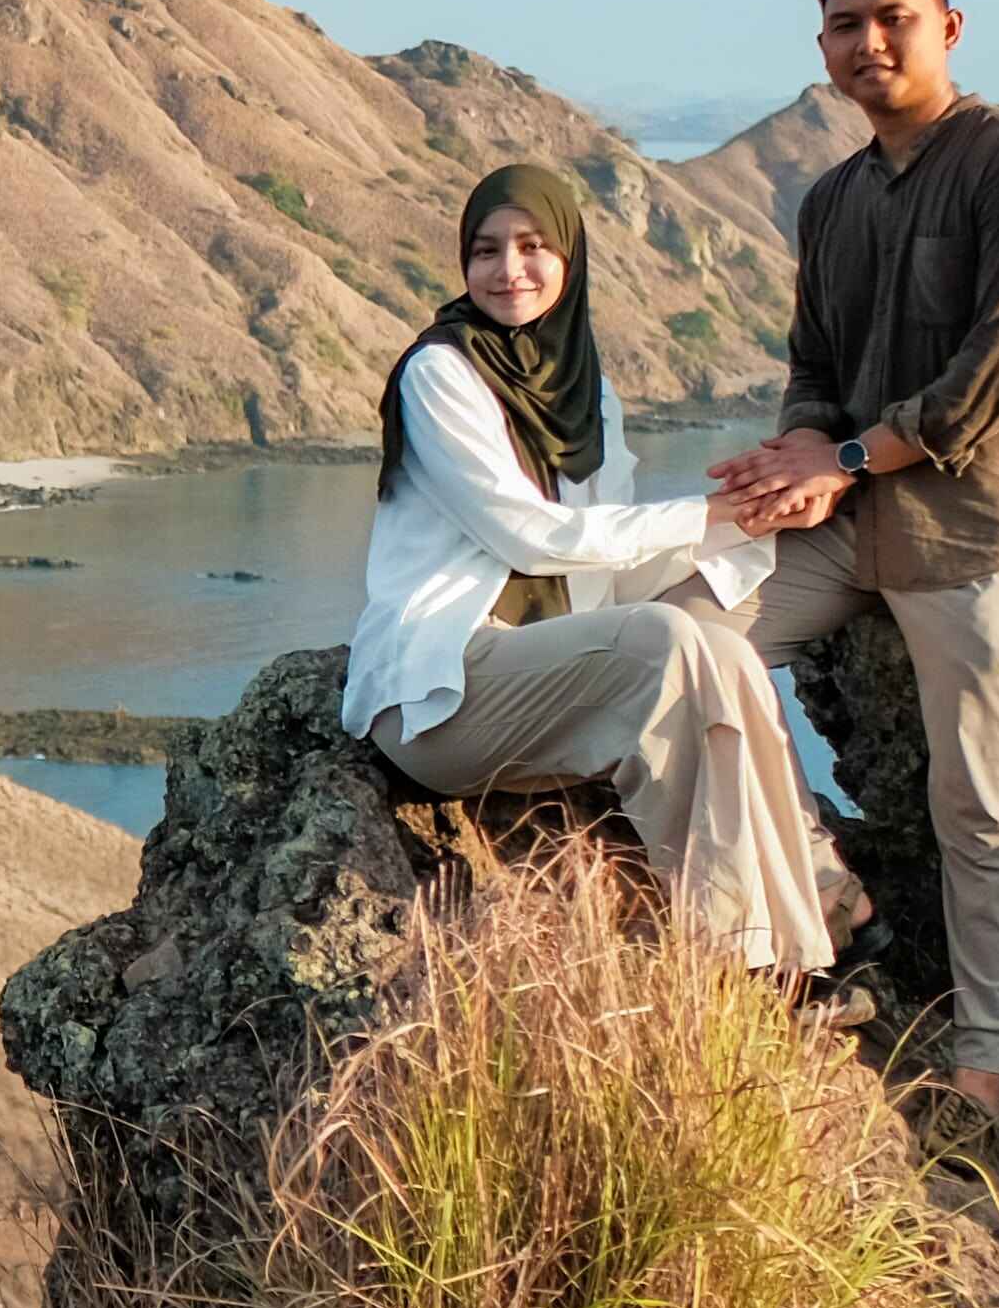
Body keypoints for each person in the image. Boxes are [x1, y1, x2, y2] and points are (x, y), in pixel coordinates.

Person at [703, 0, 999, 1109]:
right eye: (844, 25)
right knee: (677, 648)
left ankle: (979, 1067)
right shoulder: (831, 201)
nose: (869, 43)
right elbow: (814, 362)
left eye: (893, 18)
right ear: (821, 47)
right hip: (849, 519)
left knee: (985, 806)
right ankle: (817, 888)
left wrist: (849, 457)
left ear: (948, 27)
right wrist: (798, 450)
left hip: (982, 532)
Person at [348, 161, 837, 979]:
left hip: (541, 672)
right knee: (667, 643)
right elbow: (532, 537)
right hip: (441, 695)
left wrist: (748, 517)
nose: (509, 270)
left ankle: (801, 934)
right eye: (486, 250)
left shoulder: (586, 389)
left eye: (534, 246)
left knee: (720, 651)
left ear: (569, 258)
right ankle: (733, 957)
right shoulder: (440, 373)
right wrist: (705, 515)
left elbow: (603, 564)